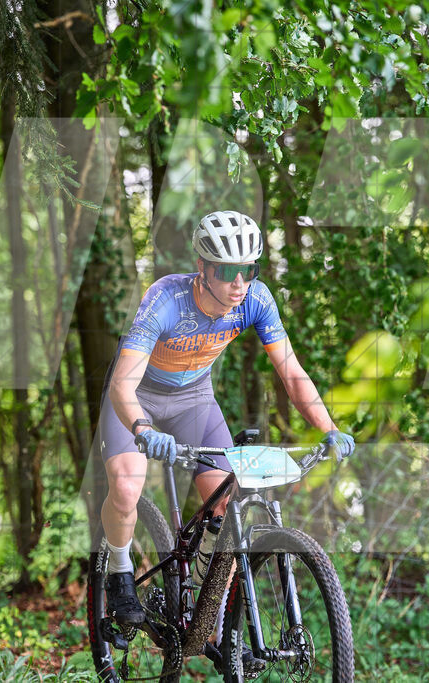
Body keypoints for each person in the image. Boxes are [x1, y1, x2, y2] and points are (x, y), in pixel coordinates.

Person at [98, 210, 356, 632]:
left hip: (194, 399)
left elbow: (291, 373)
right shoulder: (166, 299)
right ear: (202, 267)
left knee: (224, 501)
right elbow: (123, 385)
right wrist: (143, 428)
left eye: (248, 270)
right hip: (137, 394)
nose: (239, 283)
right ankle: (120, 572)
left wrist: (329, 428)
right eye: (226, 271)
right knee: (126, 487)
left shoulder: (256, 300)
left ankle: (208, 603)